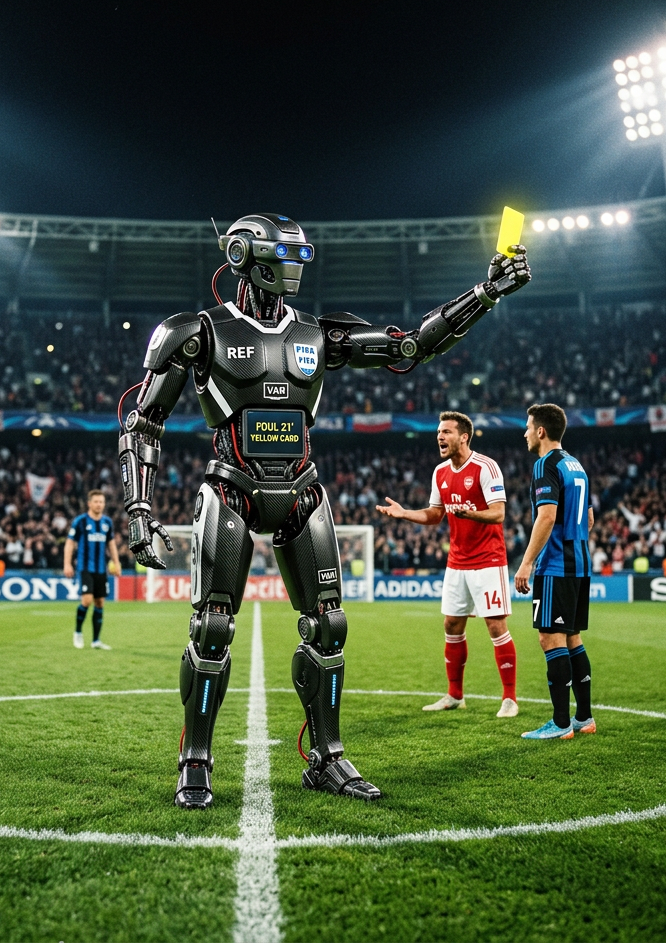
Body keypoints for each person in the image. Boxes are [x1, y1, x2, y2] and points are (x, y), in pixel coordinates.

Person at [118, 211, 531, 808]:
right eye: (284, 256)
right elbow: (144, 421)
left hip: (303, 490)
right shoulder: (196, 332)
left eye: (298, 256)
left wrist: (486, 292)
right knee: (211, 630)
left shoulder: (316, 332)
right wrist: (137, 510)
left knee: (329, 627)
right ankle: (196, 761)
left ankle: (328, 757)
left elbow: (410, 345)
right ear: (244, 256)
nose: (293, 268)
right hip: (230, 488)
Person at [377, 411, 518, 718]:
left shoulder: (485, 467)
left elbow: (498, 514)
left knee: (495, 625)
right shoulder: (440, 471)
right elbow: (435, 514)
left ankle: (509, 698)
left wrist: (469, 513)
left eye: (446, 432)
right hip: (457, 562)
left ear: (463, 437)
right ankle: (455, 695)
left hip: (488, 560)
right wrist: (405, 514)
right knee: (452, 625)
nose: (439, 437)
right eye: (439, 432)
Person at [514, 403, 595, 740]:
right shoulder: (577, 466)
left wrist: (527, 562)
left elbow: (546, 516)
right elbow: (588, 519)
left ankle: (561, 723)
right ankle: (584, 718)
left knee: (550, 637)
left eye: (529, 427)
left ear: (541, 431)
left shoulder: (544, 464)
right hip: (580, 561)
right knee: (572, 637)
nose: (525, 433)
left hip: (556, 565)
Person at [65, 489, 121, 650]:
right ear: (89, 503)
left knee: (100, 602)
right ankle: (78, 632)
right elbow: (69, 543)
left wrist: (116, 563)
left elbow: (111, 544)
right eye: (96, 501)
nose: (99, 504)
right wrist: (67, 564)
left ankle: (96, 640)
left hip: (101, 569)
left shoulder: (107, 522)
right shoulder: (80, 521)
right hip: (85, 567)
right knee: (87, 600)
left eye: (101, 502)